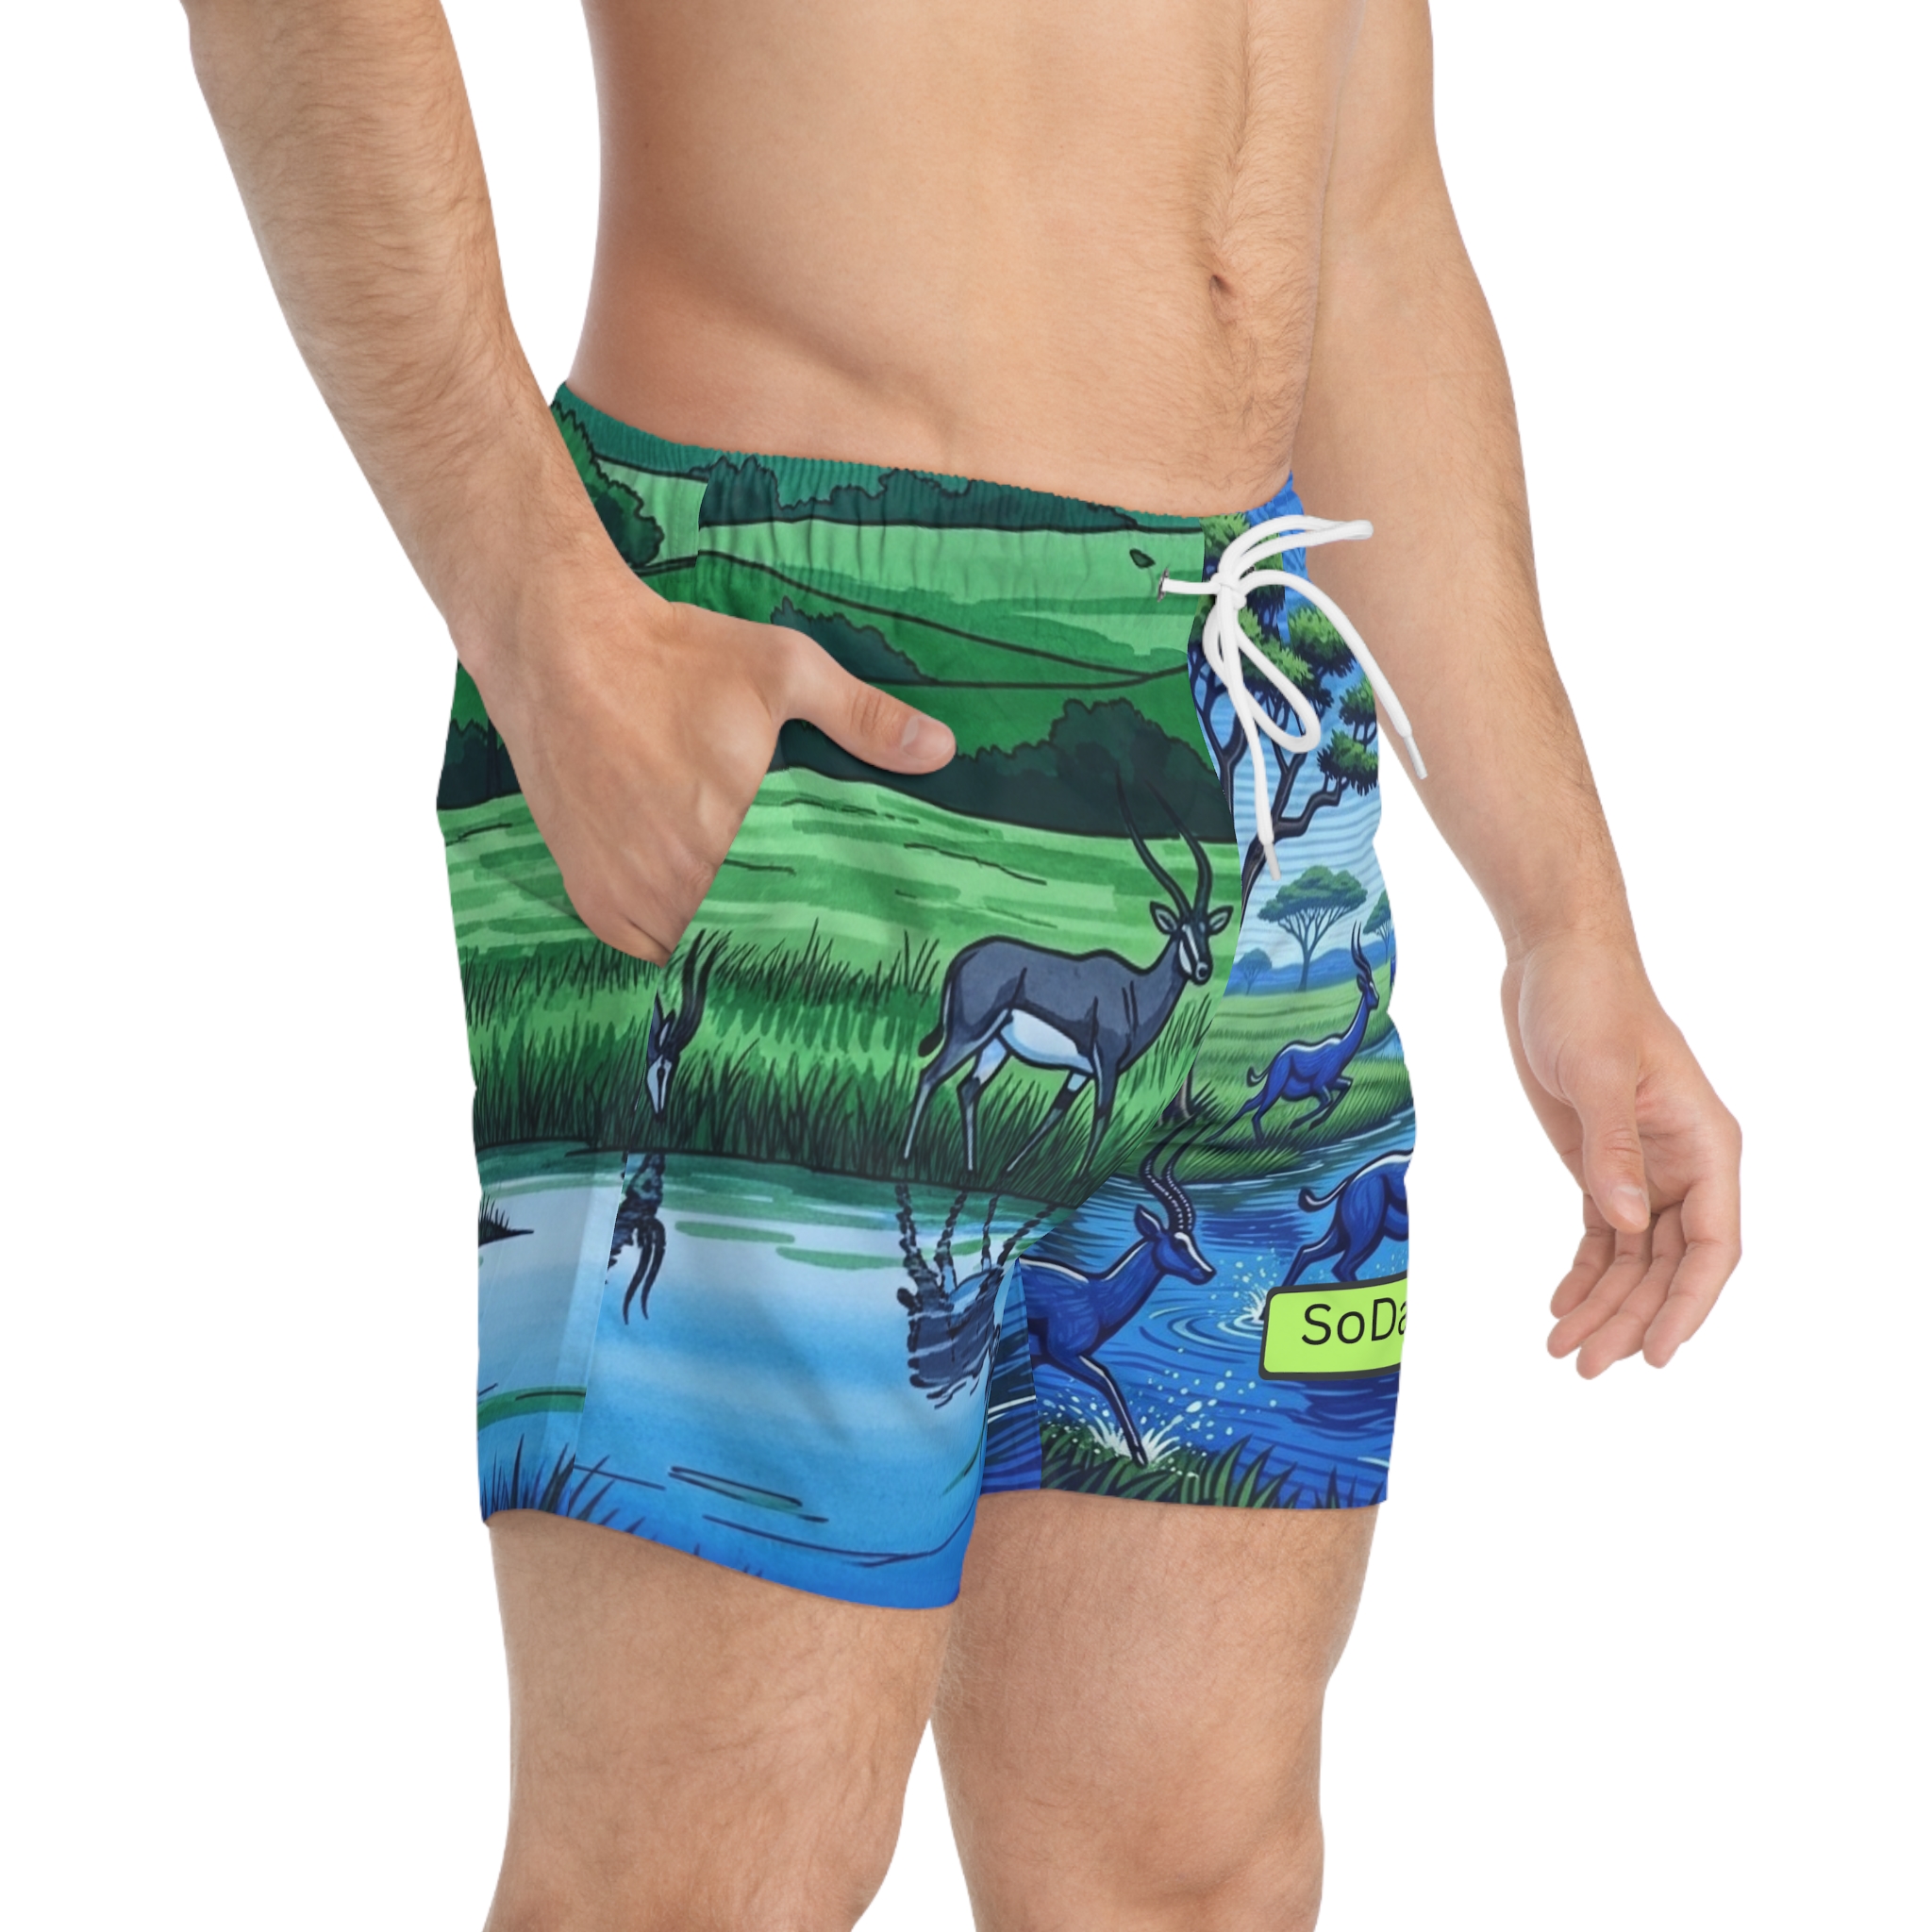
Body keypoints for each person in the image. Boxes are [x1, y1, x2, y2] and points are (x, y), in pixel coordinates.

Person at [183, 2, 1743, 1925]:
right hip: (811, 673)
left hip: (1247, 716)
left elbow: (1362, 221)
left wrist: (1568, 916)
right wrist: (537, 608)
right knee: (701, 1881)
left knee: (1187, 1873)